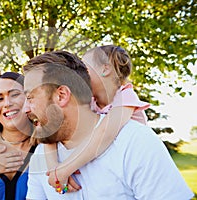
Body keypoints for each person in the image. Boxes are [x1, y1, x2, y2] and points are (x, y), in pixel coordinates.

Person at [23, 55, 194, 199]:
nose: (25, 109)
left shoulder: (135, 142)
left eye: (30, 97)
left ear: (61, 96)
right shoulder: (41, 156)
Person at [33, 46, 151, 190]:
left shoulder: (125, 96)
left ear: (105, 69)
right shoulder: (90, 100)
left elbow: (104, 134)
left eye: (85, 69)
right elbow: (53, 127)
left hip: (130, 166)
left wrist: (66, 168)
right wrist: (54, 169)